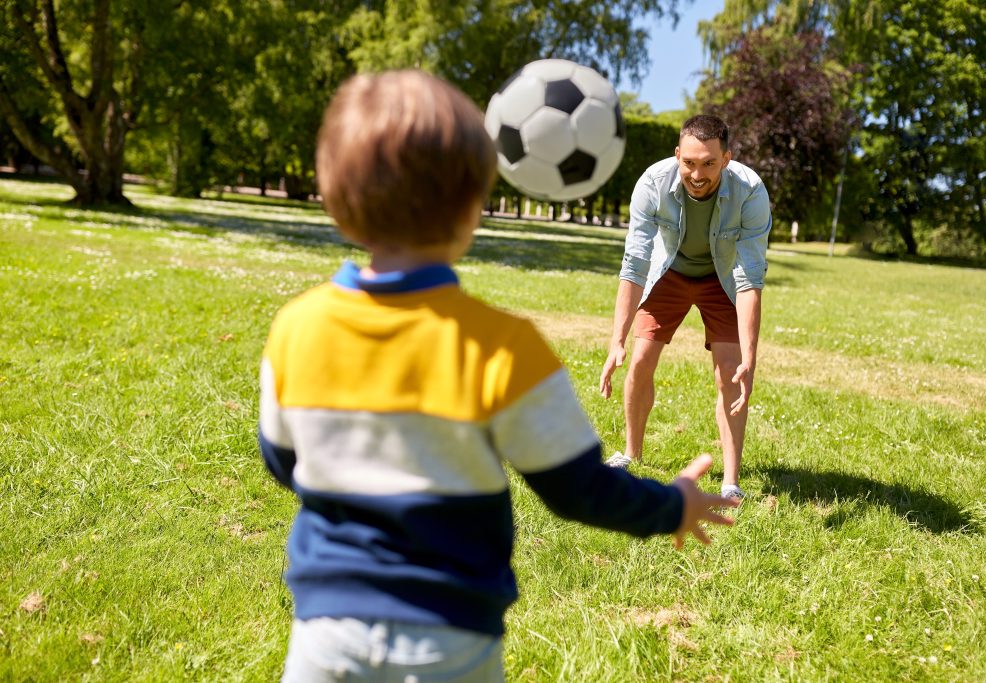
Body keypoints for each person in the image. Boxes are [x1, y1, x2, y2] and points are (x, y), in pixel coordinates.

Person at [258, 71, 739, 683]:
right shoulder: (503, 347)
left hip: (323, 638)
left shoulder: (297, 327)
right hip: (451, 639)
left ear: (333, 199)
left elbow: (282, 459)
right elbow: (578, 490)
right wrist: (670, 506)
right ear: (472, 207)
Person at [599, 115, 771, 501]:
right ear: (678, 155)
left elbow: (749, 278)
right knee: (641, 359)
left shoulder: (750, 192)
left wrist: (750, 357)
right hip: (669, 272)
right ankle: (631, 453)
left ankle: (730, 482)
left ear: (726, 158)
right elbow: (635, 262)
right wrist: (617, 341)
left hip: (721, 277)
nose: (697, 173)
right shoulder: (653, 184)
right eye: (689, 162)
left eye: (709, 163)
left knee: (730, 372)